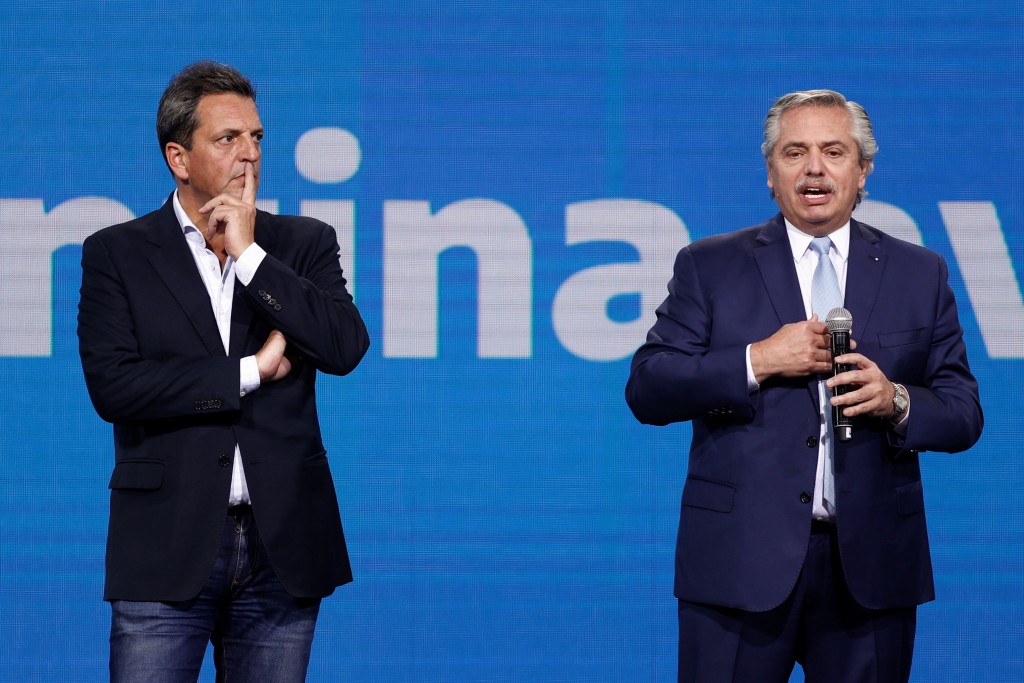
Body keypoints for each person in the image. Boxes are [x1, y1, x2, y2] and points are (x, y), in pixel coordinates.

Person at [625, 89, 982, 682]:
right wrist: (758, 360)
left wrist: (894, 400)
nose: (814, 169)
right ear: (771, 172)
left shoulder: (920, 272)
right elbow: (649, 387)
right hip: (739, 564)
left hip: (870, 572)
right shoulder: (710, 265)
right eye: (795, 153)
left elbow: (962, 412)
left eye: (833, 152)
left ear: (862, 171)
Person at [77, 61, 370, 681]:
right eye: (228, 138)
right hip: (165, 543)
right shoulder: (117, 253)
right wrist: (249, 371)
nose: (250, 153)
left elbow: (344, 347)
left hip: (281, 547)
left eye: (256, 137)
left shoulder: (303, 243)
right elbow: (116, 386)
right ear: (179, 159)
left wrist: (250, 255)